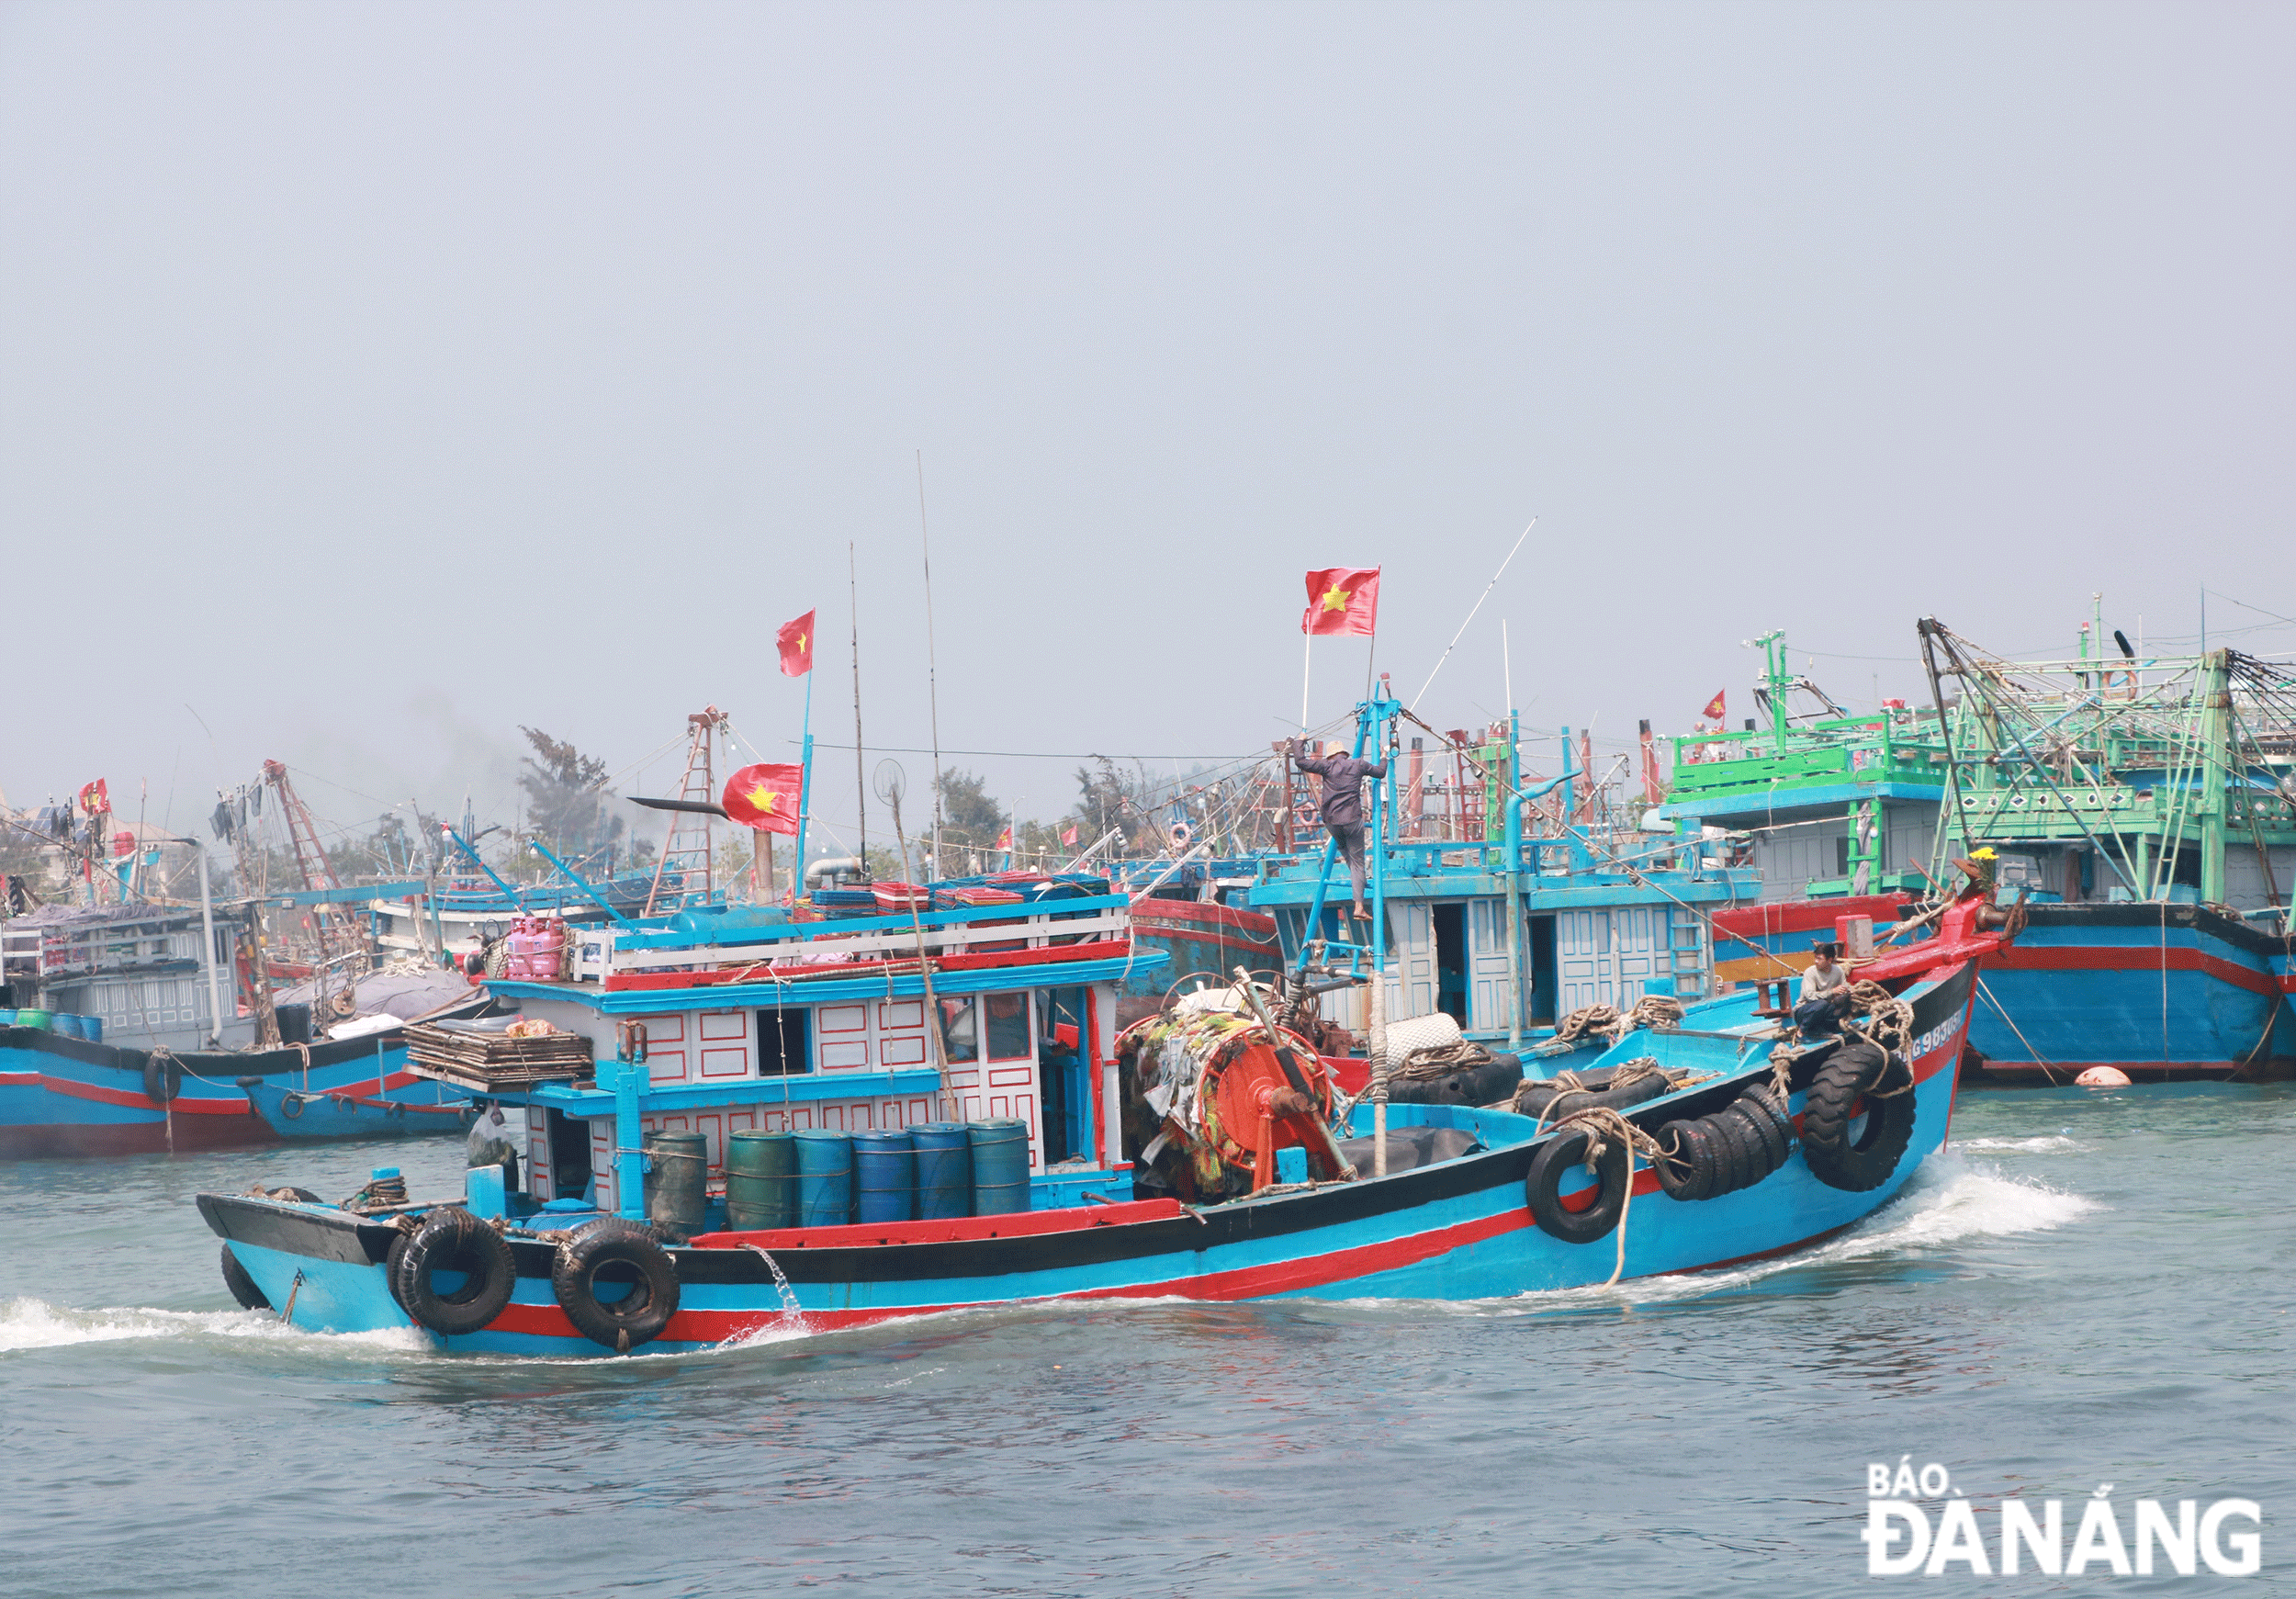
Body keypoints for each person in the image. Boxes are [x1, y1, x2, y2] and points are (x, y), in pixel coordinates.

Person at [1286, 737, 1388, 921]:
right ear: (1344, 753)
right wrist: (1384, 755)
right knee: (1357, 863)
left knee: (1351, 859)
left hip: (1332, 821)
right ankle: (1359, 906)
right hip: (1352, 820)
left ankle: (1359, 881)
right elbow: (1380, 772)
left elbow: (1300, 761)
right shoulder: (1358, 765)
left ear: (1331, 756)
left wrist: (1299, 742)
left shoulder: (1326, 766)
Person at [1793, 940, 1852, 1034]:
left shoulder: (1838, 971)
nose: (1816, 961)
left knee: (1846, 1001)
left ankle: (1827, 1027)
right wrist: (1832, 992)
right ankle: (1803, 1030)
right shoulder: (1810, 972)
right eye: (1816, 958)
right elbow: (1810, 996)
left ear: (1829, 960)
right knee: (1822, 1004)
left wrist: (1847, 991)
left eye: (1819, 959)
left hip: (1823, 1011)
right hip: (1804, 1012)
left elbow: (1844, 986)